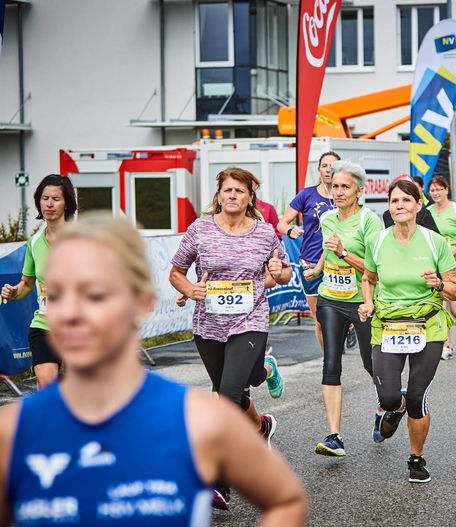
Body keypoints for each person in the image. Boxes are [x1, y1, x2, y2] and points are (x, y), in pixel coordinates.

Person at [0, 213, 308, 526]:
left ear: (142, 303)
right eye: (58, 295)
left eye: (95, 295)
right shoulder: (13, 432)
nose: (71, 313)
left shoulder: (201, 421)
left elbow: (286, 501)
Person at [170, 168, 290, 509]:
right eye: (228, 190)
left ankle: (219, 480)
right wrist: (190, 289)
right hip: (209, 325)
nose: (233, 196)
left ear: (251, 197)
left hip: (251, 320)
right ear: (219, 195)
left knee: (225, 395)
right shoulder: (200, 229)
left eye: (240, 191)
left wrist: (279, 272)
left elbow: (282, 273)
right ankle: (261, 424)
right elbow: (176, 271)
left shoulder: (265, 233)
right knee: (234, 388)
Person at [358, 178, 456, 483]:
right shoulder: (377, 241)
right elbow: (368, 278)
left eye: (406, 200)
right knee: (389, 397)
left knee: (417, 395)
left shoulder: (434, 242)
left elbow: (455, 290)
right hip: (388, 325)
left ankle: (416, 458)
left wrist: (439, 284)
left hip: (427, 325)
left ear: (418, 205)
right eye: (394, 201)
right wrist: (367, 303)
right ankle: (395, 407)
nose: (399, 206)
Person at [311, 161, 383, 456]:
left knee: (370, 363)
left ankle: (386, 406)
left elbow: (374, 269)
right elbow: (329, 254)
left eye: (345, 187)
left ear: (359, 191)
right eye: (334, 186)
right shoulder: (327, 218)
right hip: (330, 296)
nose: (338, 191)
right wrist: (317, 270)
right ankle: (334, 436)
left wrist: (343, 251)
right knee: (331, 362)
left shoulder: (370, 221)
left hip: (362, 300)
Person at [2, 175, 77, 389]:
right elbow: (26, 284)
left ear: (67, 204)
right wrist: (13, 292)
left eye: (56, 198)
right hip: (45, 323)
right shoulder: (34, 242)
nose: (50, 204)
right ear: (38, 202)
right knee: (47, 385)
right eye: (45, 198)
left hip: (78, 325)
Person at [277, 151, 340, 352]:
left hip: (339, 261)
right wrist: (291, 230)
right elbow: (282, 223)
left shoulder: (344, 196)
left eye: (333, 165)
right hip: (311, 263)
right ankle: (329, 363)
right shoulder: (307, 194)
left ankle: (344, 335)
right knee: (320, 320)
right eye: (324, 165)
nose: (328, 169)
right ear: (319, 169)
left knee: (341, 316)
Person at [427, 175, 456, 359]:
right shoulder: (428, 212)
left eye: (439, 189)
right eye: (432, 190)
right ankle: (447, 344)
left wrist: (455, 249)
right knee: (442, 305)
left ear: (446, 190)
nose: (436, 193)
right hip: (436, 263)